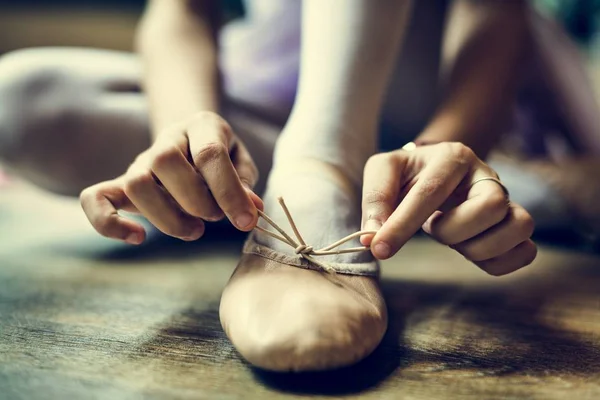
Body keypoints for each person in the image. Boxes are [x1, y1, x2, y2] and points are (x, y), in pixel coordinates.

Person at [0, 0, 545, 370]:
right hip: (274, 91)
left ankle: (323, 169)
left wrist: (443, 142)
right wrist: (191, 129)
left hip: (423, 98)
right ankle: (299, 167)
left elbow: (494, 16)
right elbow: (179, 11)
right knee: (19, 98)